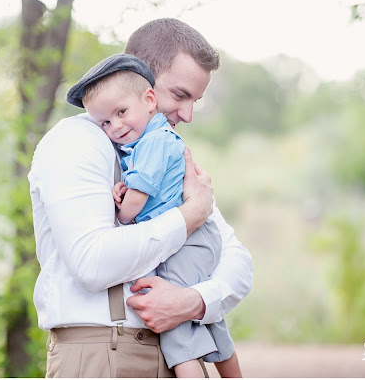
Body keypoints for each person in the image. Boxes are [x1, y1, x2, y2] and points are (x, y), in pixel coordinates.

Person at [29, 18, 253, 378]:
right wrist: (186, 217)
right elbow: (91, 263)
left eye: (195, 100)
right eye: (180, 95)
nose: (188, 115)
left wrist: (193, 302)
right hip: (103, 353)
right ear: (143, 82)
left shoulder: (164, 151)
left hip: (171, 351)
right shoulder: (75, 142)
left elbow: (237, 259)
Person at [70, 53, 242, 377]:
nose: (115, 126)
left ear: (148, 98)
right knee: (210, 322)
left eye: (121, 113)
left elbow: (132, 207)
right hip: (193, 239)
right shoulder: (146, 138)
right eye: (105, 122)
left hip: (187, 243)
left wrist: (119, 207)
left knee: (174, 322)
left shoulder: (152, 142)